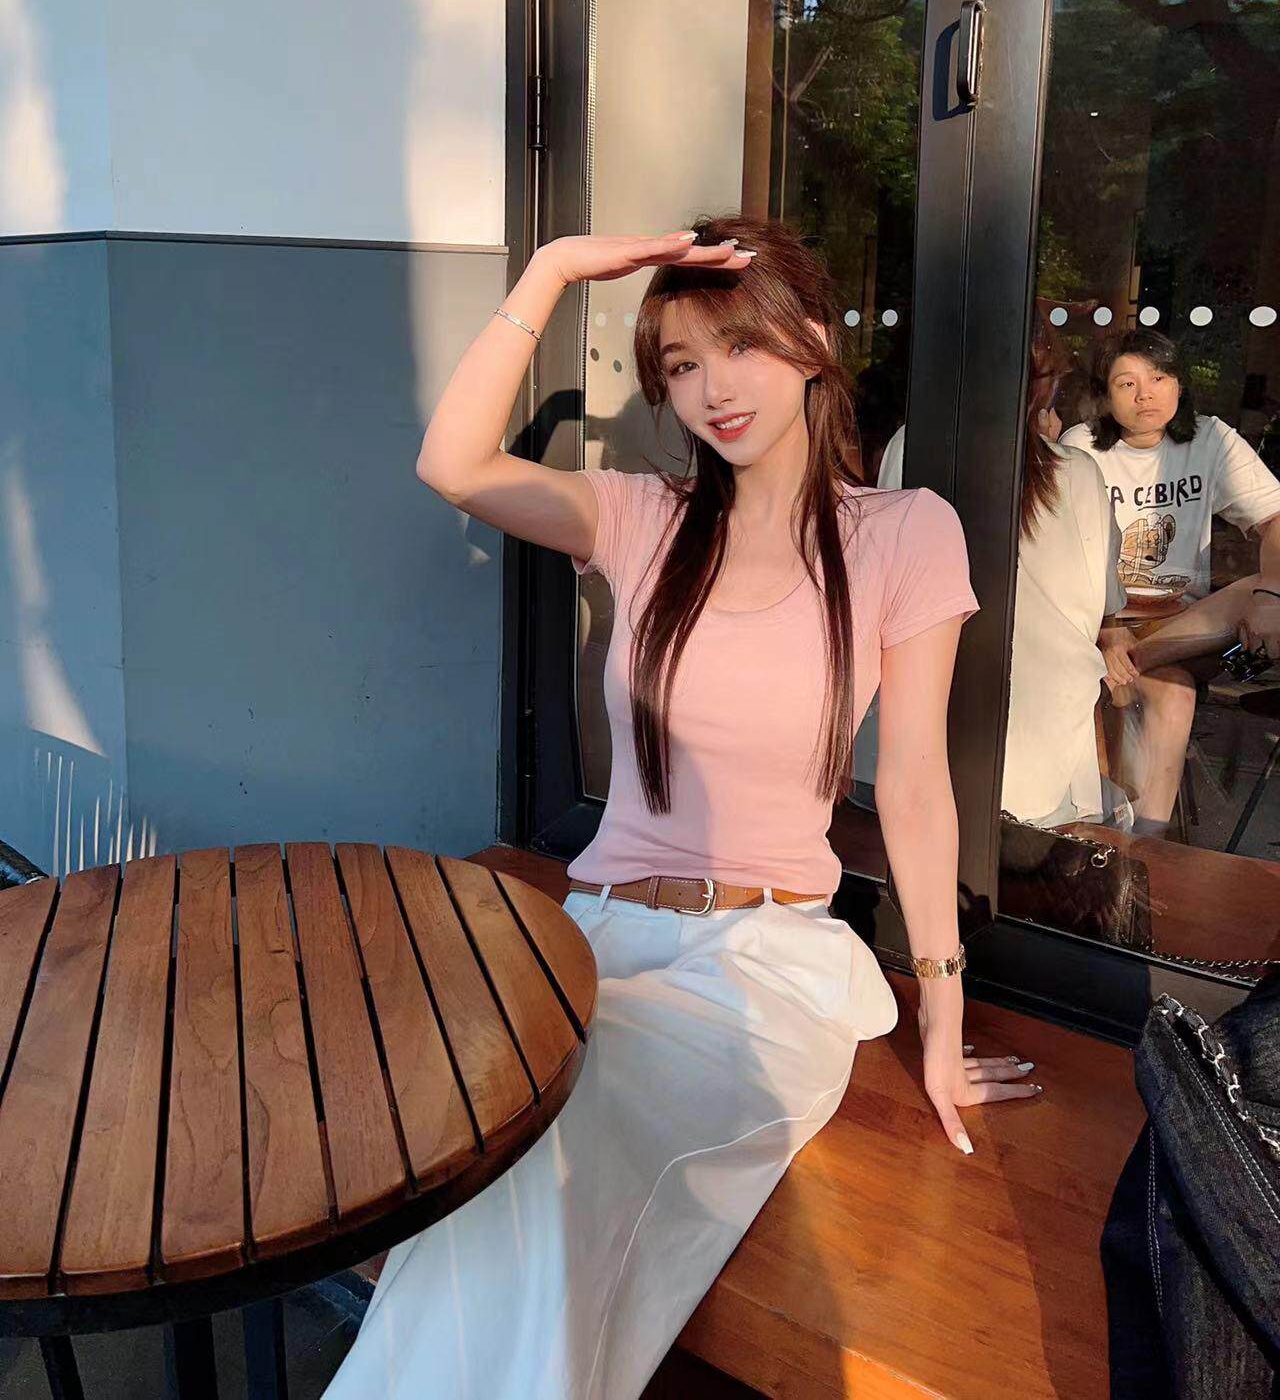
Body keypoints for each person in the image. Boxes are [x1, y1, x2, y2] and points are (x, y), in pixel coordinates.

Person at [323, 215, 1042, 1400]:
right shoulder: (641, 517)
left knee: (545, 1142)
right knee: (475, 1135)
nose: (714, 388)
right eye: (682, 363)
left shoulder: (902, 530)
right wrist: (553, 269)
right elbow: (452, 464)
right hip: (597, 937)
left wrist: (940, 1009)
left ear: (813, 342)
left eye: (740, 346)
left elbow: (915, 785)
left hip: (759, 963)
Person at [1061, 329, 1280, 833]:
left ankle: (1135, 663)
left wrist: (1269, 595)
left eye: (1159, 378)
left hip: (1185, 626)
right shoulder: (1080, 448)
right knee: (1175, 694)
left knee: (1263, 585)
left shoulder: (1210, 439)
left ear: (1179, 384)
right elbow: (1065, 556)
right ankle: (1150, 842)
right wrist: (1108, 627)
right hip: (1100, 624)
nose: (1146, 395)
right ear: (1104, 394)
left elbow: (1274, 520)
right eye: (1127, 383)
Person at [1002, 319, 1131, 829]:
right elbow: (1105, 600)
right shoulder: (1075, 470)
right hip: (1045, 771)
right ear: (1047, 392)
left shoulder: (915, 445)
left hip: (914, 759)